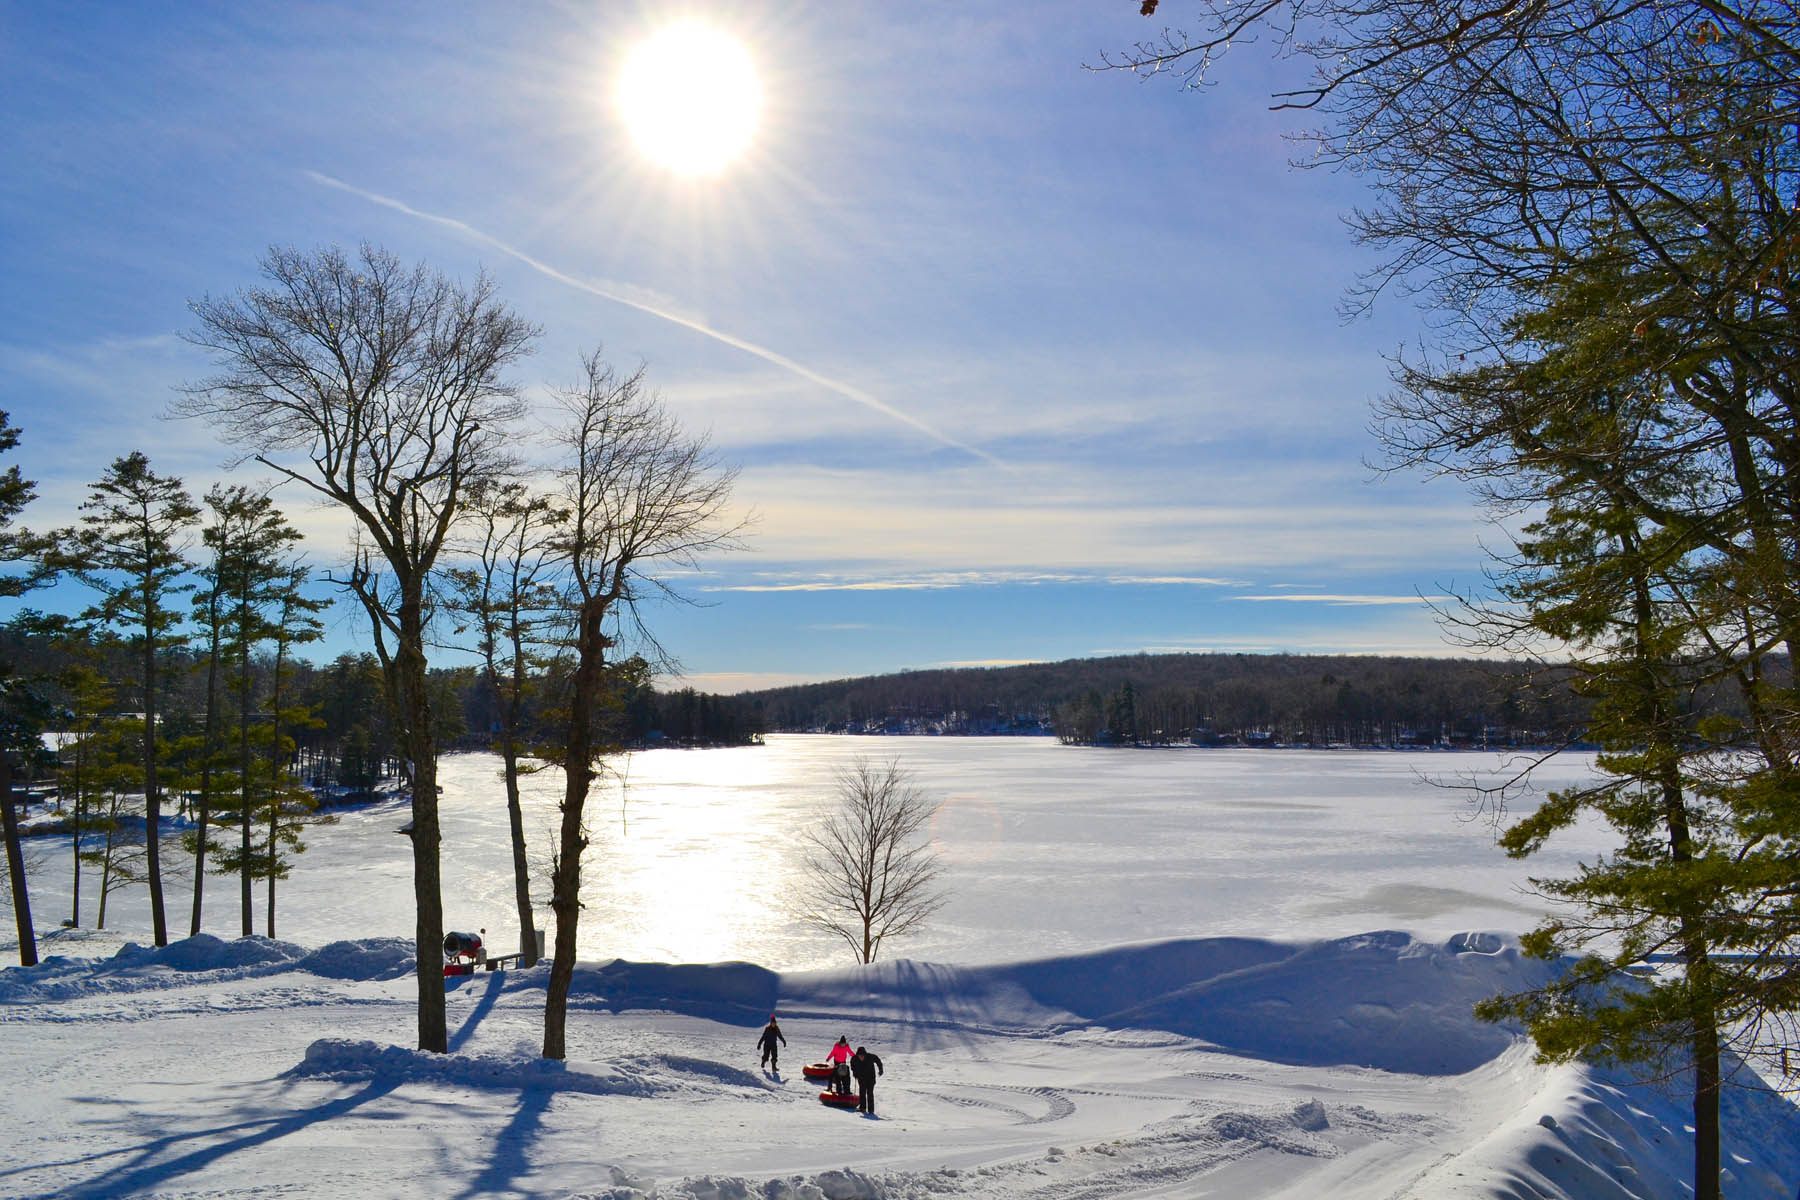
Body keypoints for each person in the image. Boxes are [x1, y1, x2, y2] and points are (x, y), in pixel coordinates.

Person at [851, 1045, 885, 1115]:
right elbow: (852, 1065)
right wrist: (855, 1072)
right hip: (861, 1078)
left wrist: (880, 1069)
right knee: (862, 1092)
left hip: (871, 1078)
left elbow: (878, 1061)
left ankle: (871, 1110)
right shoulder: (854, 1058)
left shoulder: (870, 1057)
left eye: (862, 1055)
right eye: (860, 1056)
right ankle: (862, 1108)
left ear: (865, 1054)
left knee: (870, 1093)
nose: (861, 1057)